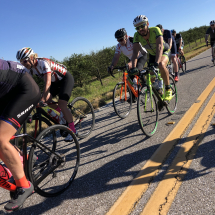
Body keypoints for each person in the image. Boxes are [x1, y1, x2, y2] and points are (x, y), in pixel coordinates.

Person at [0, 59, 41, 211]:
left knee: (0, 139)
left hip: (24, 89)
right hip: (7, 92)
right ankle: (23, 158)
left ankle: (24, 185)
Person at [16, 47, 76, 141]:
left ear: (32, 58)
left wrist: (41, 100)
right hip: (55, 83)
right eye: (21, 62)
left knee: (62, 103)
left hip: (65, 79)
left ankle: (73, 131)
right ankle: (63, 114)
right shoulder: (30, 69)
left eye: (24, 61)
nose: (23, 64)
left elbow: (47, 83)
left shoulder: (43, 63)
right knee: (47, 99)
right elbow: (28, 85)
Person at [131, 15, 172, 101]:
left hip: (164, 50)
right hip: (152, 55)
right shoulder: (137, 35)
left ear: (148, 24)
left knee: (161, 65)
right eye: (137, 28)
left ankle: (168, 89)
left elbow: (160, 47)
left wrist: (157, 62)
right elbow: (135, 52)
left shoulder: (155, 30)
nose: (140, 29)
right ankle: (159, 91)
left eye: (142, 26)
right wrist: (134, 68)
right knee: (150, 77)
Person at [108, 28, 148, 102]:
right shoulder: (119, 46)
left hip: (141, 56)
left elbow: (136, 53)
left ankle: (145, 84)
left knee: (137, 70)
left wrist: (131, 63)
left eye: (121, 39)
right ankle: (133, 95)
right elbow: (116, 57)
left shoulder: (133, 40)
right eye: (118, 40)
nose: (120, 42)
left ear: (126, 36)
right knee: (129, 76)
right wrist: (112, 66)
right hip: (132, 58)